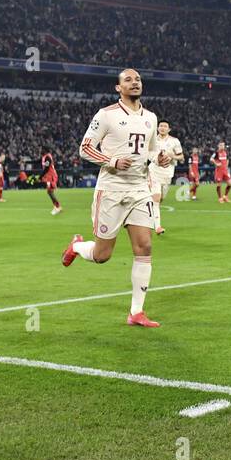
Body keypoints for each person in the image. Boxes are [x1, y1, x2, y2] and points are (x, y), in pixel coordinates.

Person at [60, 69, 171, 328]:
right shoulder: (106, 115)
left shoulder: (151, 118)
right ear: (118, 88)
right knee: (102, 255)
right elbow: (85, 148)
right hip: (110, 190)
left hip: (138, 189)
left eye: (138, 79)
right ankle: (76, 246)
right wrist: (111, 160)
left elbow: (152, 150)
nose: (135, 83)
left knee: (144, 247)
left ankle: (136, 311)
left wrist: (159, 158)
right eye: (128, 80)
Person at [149, 121, 183, 235]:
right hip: (153, 172)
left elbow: (181, 156)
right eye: (161, 126)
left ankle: (151, 213)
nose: (162, 128)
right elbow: (148, 154)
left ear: (169, 129)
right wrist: (155, 159)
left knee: (161, 198)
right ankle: (157, 226)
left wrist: (172, 155)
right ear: (158, 128)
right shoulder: (152, 140)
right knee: (156, 198)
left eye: (165, 126)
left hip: (167, 174)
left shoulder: (174, 141)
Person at [41, 148, 62, 214]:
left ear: (45, 150)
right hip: (49, 176)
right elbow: (37, 161)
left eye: (42, 149)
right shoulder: (45, 157)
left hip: (51, 176)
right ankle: (57, 206)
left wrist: (40, 176)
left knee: (50, 191)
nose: (41, 150)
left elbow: (47, 168)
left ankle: (57, 207)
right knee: (49, 192)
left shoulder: (48, 157)